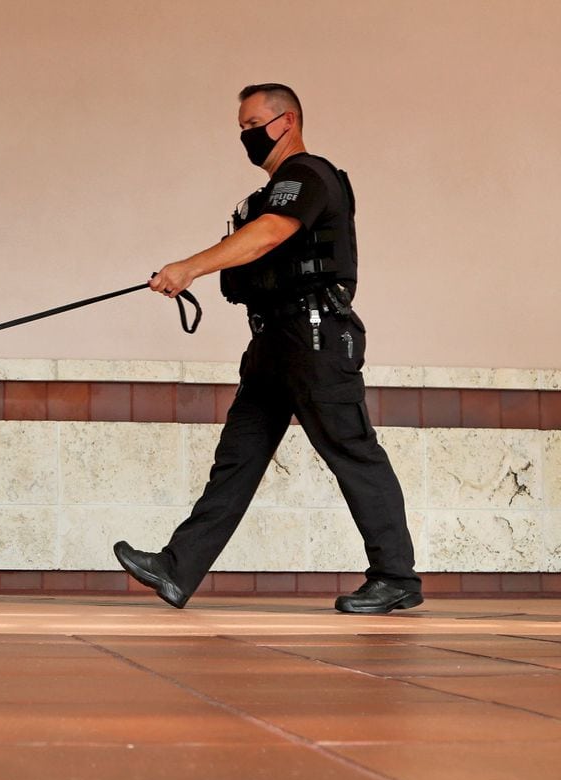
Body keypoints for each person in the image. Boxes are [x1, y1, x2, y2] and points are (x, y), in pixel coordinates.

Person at [114, 84, 422, 614]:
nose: (247, 136)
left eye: (253, 124)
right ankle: (177, 567)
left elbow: (270, 234)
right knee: (238, 457)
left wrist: (188, 265)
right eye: (241, 128)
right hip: (275, 341)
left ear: (287, 121)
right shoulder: (274, 188)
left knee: (351, 450)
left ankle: (396, 578)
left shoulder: (307, 175)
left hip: (315, 336)